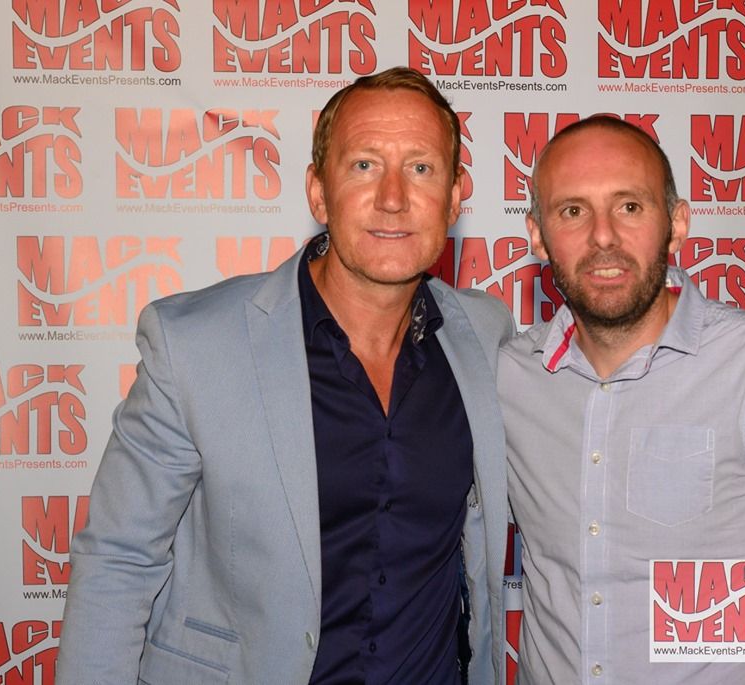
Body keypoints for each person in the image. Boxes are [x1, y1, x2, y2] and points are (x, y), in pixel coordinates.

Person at [55, 67, 513, 684]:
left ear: (456, 196)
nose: (394, 197)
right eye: (364, 166)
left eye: (422, 168)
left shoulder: (485, 335)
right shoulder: (194, 344)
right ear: (318, 193)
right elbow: (118, 560)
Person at [500, 116, 745, 684]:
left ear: (677, 224)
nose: (602, 237)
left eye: (629, 206)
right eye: (572, 211)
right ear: (537, 236)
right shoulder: (510, 376)